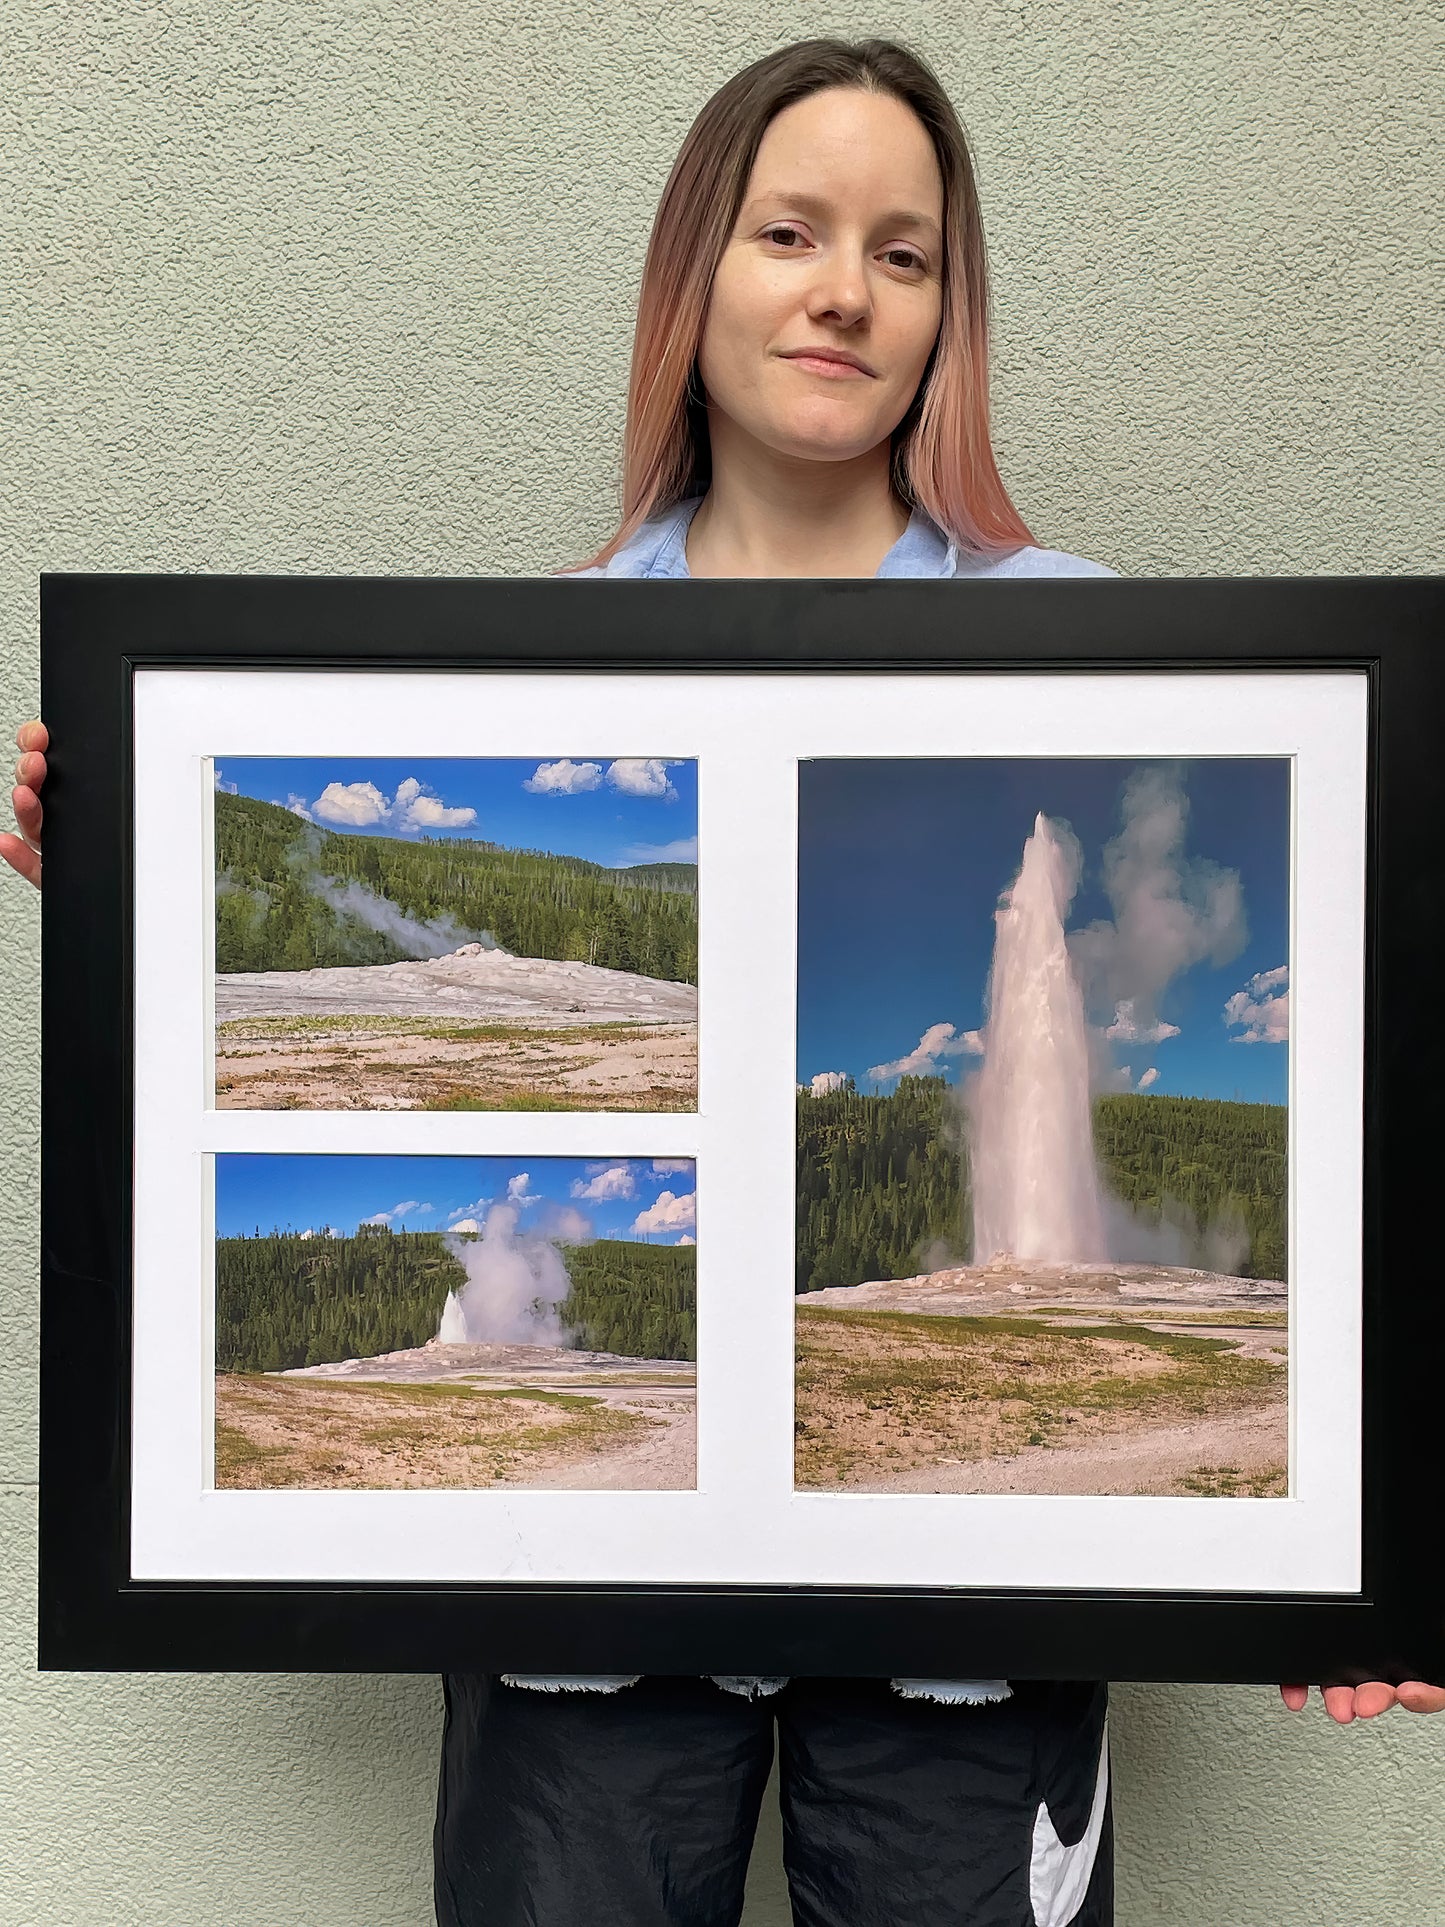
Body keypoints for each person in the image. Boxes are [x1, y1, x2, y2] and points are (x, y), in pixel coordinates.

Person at [7, 34, 1440, 1927]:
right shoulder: (534, 666)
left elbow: (1366, 1087)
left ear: (948, 311)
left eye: (905, 251)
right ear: (699, 274)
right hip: (582, 1621)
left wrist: (1348, 1550)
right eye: (791, 230)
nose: (845, 288)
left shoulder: (1109, 651)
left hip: (974, 1645)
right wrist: (117, 850)